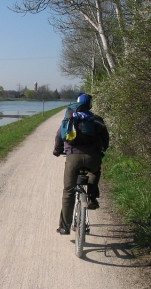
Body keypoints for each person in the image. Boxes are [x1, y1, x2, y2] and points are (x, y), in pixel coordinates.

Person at [53, 93, 109, 235]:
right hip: (93, 158)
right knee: (95, 172)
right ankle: (91, 197)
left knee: (68, 191)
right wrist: (102, 150)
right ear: (90, 105)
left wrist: (57, 151)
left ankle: (65, 227)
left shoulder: (69, 118)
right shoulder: (96, 120)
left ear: (76, 104)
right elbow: (105, 139)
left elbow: (59, 137)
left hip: (73, 158)